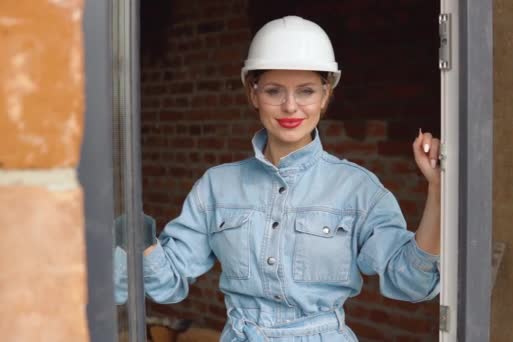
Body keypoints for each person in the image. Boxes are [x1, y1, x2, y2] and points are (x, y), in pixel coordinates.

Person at [115, 15, 441, 342]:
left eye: (306, 91)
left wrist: (438, 190)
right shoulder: (216, 187)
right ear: (253, 93)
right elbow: (168, 284)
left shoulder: (358, 189)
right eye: (274, 91)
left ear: (325, 95)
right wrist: (136, 238)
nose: (290, 107)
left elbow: (412, 281)